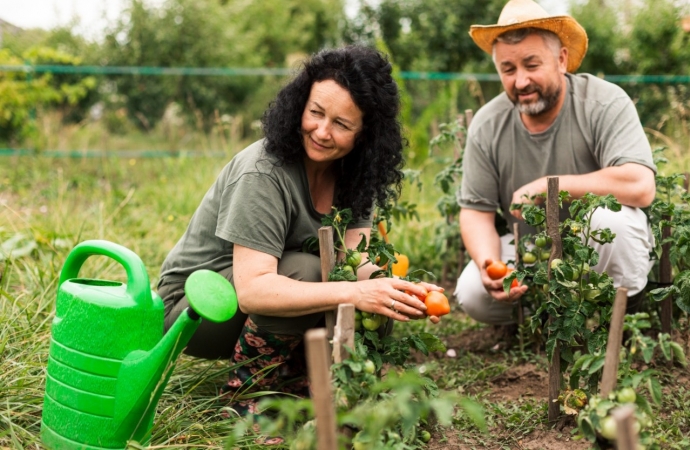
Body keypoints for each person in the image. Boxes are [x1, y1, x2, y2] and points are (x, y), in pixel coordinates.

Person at [158, 45, 442, 415]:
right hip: (193, 309)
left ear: (364, 135)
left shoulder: (354, 176)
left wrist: (399, 290)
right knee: (306, 271)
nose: (322, 132)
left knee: (376, 295)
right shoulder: (263, 172)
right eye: (316, 113)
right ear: (299, 106)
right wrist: (356, 292)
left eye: (341, 124)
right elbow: (254, 292)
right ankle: (250, 400)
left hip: (248, 299)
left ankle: (303, 383)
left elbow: (354, 261)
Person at [454, 0, 656, 326]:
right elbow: (476, 212)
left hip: (594, 251)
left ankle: (621, 319)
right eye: (508, 70)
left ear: (561, 59)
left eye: (531, 66)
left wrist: (549, 187)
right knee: (473, 292)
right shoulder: (487, 124)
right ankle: (546, 319)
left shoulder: (604, 103)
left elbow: (639, 186)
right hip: (534, 252)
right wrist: (489, 263)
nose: (520, 81)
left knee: (612, 222)